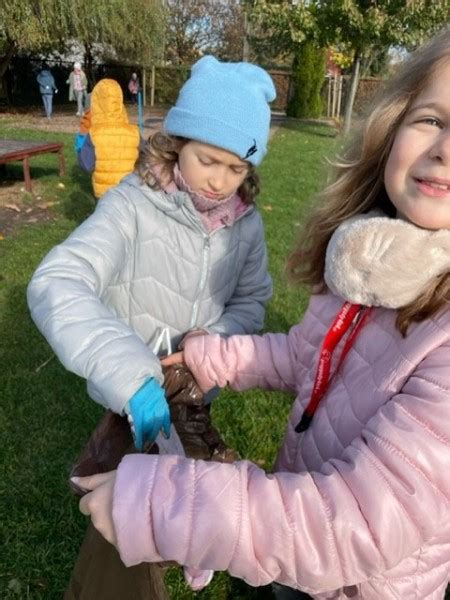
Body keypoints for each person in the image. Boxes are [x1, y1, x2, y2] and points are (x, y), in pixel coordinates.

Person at [74, 28, 450, 600]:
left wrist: (157, 501)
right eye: (433, 119)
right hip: (291, 540)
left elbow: (353, 522)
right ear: (393, 125)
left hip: (365, 584)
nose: (444, 149)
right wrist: (212, 355)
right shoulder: (369, 270)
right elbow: (306, 357)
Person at [27, 55, 276, 598]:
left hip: (196, 381)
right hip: (135, 379)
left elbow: (252, 298)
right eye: (210, 160)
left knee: (188, 454)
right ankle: (129, 521)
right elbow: (57, 283)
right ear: (179, 141)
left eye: (238, 170)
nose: (221, 182)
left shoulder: (246, 223)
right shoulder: (130, 206)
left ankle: (184, 533)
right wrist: (131, 373)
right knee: (130, 473)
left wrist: (212, 346)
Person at [75, 79, 141, 198]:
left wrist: (80, 149)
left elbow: (86, 164)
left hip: (106, 195)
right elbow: (147, 157)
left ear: (96, 104)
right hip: (132, 190)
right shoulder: (134, 132)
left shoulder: (94, 134)